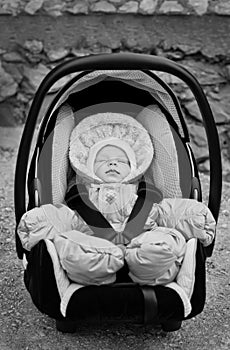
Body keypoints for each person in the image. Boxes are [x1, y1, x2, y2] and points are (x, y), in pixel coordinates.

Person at [17, 112, 216, 288]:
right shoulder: (80, 198)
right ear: (86, 167)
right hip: (94, 244)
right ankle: (103, 262)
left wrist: (198, 220)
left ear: (136, 167)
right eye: (102, 160)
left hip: (143, 244)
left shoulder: (147, 197)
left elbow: (168, 212)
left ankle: (142, 262)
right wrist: (35, 225)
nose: (112, 163)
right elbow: (64, 217)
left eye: (121, 161)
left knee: (165, 241)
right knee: (69, 244)